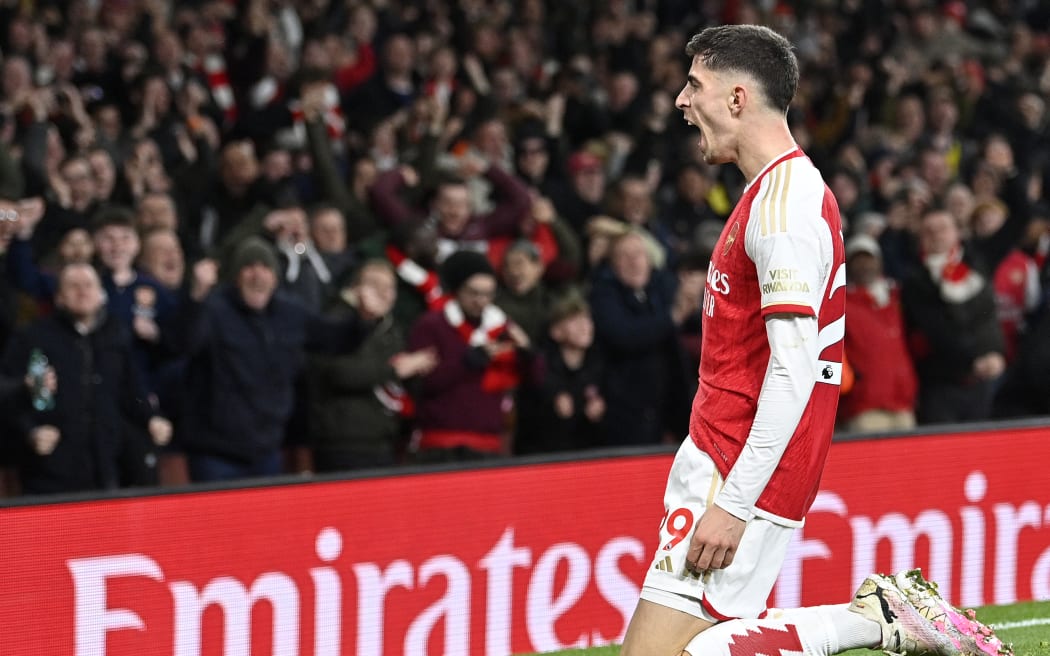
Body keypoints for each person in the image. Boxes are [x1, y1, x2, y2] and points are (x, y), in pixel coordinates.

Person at [620, 25, 1008, 656]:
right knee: (705, 648)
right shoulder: (777, 192)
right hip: (736, 454)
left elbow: (794, 370)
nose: (680, 102)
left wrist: (735, 503)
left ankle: (876, 620)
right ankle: (882, 616)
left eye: (695, 85)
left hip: (736, 463)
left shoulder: (783, 205)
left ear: (739, 98)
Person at [0, 263, 172, 494]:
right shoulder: (32, 336)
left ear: (101, 294)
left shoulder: (116, 333)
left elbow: (132, 388)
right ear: (59, 297)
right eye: (73, 286)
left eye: (89, 285)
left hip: (106, 464)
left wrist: (152, 418)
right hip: (49, 468)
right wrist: (30, 431)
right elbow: (5, 391)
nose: (83, 291)